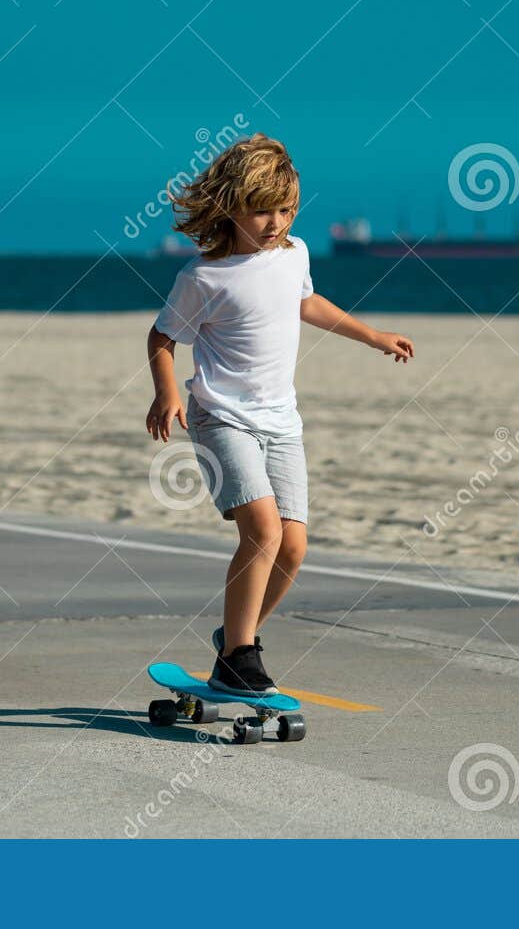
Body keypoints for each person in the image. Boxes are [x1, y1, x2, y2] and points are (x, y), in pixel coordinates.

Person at [144, 134, 414, 696]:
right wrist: (166, 393)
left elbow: (306, 302)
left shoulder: (295, 254)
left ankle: (235, 645)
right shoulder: (202, 278)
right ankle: (243, 654)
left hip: (282, 423)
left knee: (293, 546)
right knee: (262, 532)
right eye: (263, 208)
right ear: (231, 206)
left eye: (286, 208)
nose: (276, 221)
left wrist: (372, 336)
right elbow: (162, 335)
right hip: (221, 417)